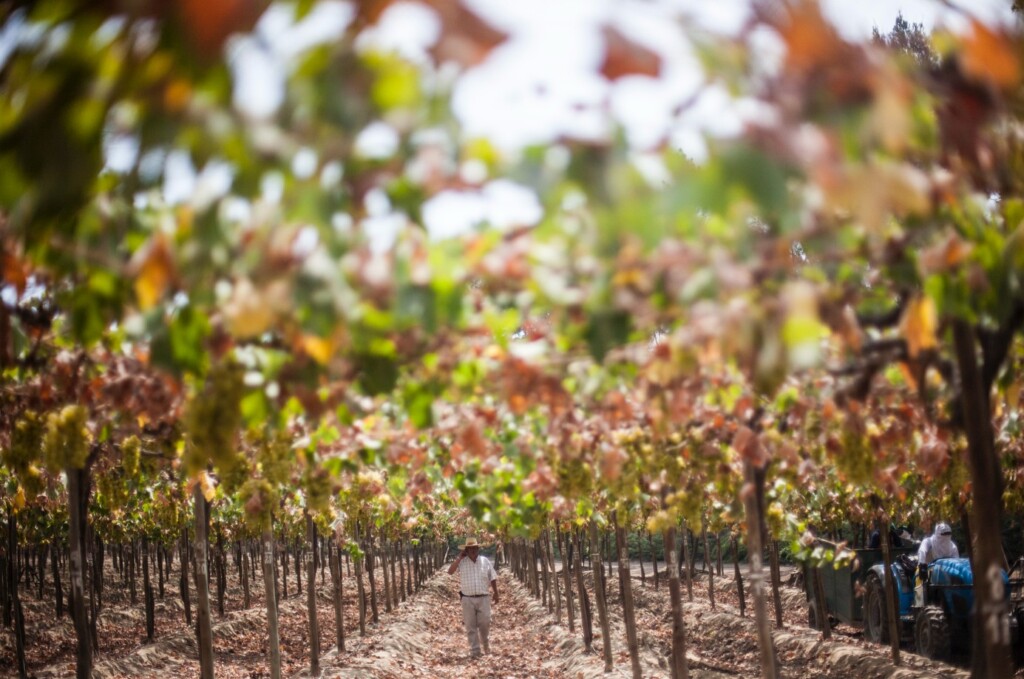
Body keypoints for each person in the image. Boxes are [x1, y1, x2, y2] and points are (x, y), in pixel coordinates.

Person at [448, 537, 499, 659]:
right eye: (470, 549)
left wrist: (496, 593)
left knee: (485, 623)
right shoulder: (462, 562)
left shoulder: (485, 561)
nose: (473, 551)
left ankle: (486, 645)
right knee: (470, 626)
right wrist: (460, 557)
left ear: (478, 549)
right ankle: (475, 651)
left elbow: (492, 577)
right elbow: (450, 571)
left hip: (484, 598)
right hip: (467, 598)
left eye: (475, 548)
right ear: (466, 550)